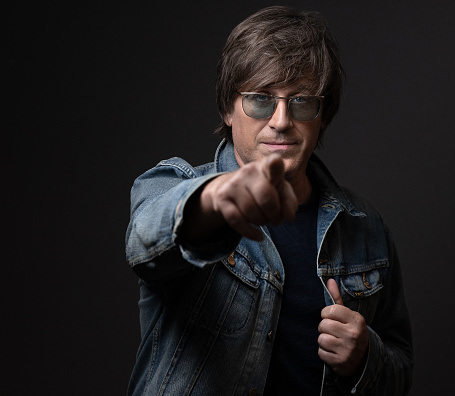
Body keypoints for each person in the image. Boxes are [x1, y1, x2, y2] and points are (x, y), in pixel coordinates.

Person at [125, 6, 413, 396]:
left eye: (301, 102)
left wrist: (364, 357)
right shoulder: (173, 185)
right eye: (261, 100)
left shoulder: (364, 227)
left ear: (322, 115)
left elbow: (400, 370)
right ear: (228, 108)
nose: (280, 120)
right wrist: (215, 200)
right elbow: (145, 243)